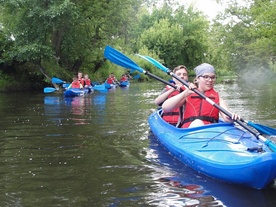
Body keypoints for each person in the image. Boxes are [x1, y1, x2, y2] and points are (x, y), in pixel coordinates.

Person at [162, 63, 240, 128]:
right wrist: (184, 93)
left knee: (199, 123)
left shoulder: (217, 97)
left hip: (211, 132)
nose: (210, 80)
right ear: (197, 79)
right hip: (188, 133)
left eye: (213, 77)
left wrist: (232, 116)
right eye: (206, 77)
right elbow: (165, 107)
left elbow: (226, 118)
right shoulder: (188, 93)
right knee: (197, 122)